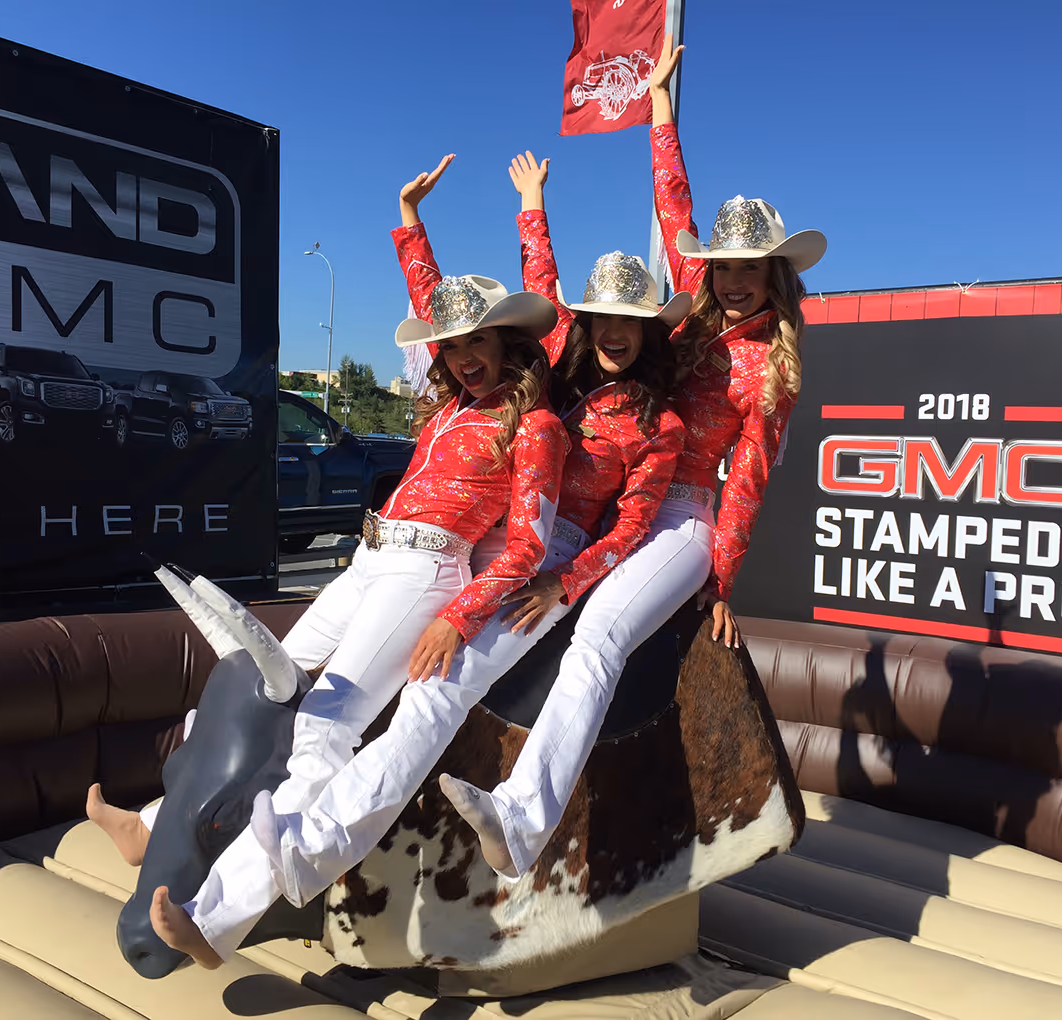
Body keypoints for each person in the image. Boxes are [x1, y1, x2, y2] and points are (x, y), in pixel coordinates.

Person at [221, 152, 689, 930]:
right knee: (375, 688)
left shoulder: (659, 426)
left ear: (650, 331)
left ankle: (318, 845)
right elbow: (465, 317)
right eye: (601, 317)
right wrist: (450, 220)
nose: (612, 331)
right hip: (472, 545)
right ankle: (272, 853)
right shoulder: (559, 376)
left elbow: (635, 525)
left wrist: (563, 582)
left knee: (432, 697)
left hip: (539, 557)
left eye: (629, 321)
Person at [92, 268, 568, 967]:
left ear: (508, 343)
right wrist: (408, 223)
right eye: (450, 344)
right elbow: (424, 293)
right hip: (371, 559)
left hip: (427, 573)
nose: (462, 355)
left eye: (478, 340)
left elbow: (527, 546)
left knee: (323, 724)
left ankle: (216, 919)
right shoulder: (447, 413)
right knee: (251, 686)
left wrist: (460, 619)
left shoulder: (537, 425)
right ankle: (153, 824)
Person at [443, 34, 828, 880]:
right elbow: (669, 209)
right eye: (720, 266)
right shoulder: (679, 319)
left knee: (604, 633)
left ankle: (524, 813)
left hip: (684, 517)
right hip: (621, 511)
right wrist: (659, 108)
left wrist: (720, 578)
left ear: (772, 274)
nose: (730, 280)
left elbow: (748, 479)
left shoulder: (775, 368)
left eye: (747, 269)